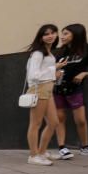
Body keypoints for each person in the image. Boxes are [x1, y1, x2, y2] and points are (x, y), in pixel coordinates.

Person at [54, 23, 88, 158]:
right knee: (60, 118)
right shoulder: (60, 52)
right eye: (62, 33)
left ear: (76, 34)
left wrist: (84, 74)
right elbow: (52, 69)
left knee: (81, 120)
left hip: (75, 89)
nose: (62, 36)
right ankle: (62, 148)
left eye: (66, 33)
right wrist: (55, 72)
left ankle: (85, 147)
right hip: (58, 89)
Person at [24, 24, 63, 165]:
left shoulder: (48, 52)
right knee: (36, 124)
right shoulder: (38, 53)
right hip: (39, 89)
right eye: (46, 34)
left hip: (47, 89)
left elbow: (45, 70)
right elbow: (33, 75)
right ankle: (33, 156)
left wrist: (55, 71)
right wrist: (54, 71)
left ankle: (42, 152)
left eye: (53, 33)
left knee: (53, 122)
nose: (50, 36)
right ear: (41, 37)